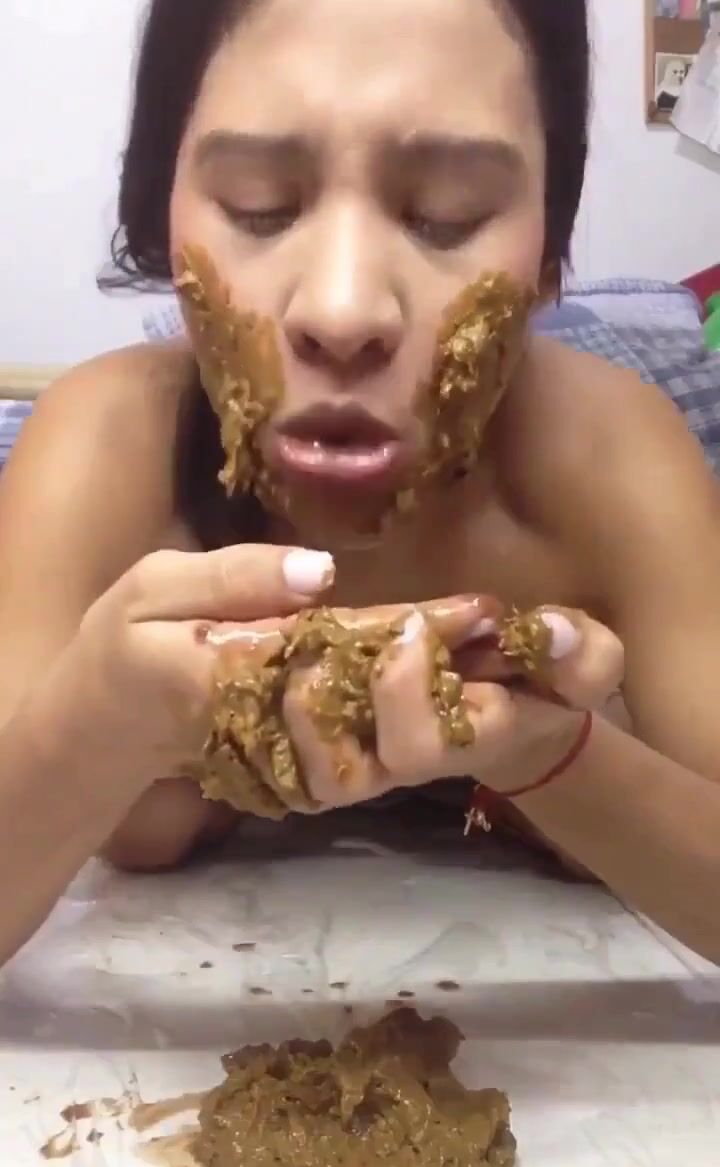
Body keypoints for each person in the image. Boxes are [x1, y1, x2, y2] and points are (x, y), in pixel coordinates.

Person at [1, 0, 719, 969]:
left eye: (447, 215)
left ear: (549, 255)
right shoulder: (103, 453)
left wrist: (553, 757)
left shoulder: (615, 463)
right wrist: (96, 724)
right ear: (163, 213)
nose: (342, 311)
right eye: (259, 205)